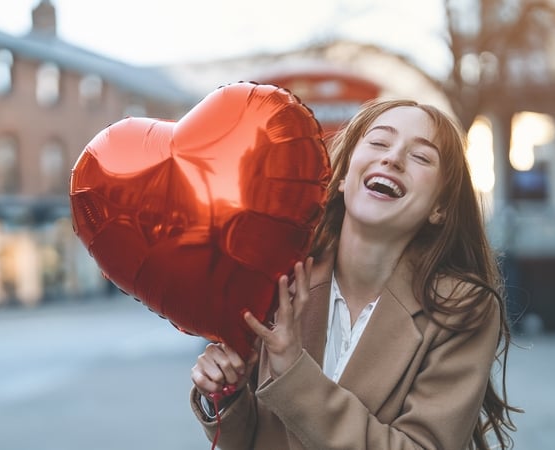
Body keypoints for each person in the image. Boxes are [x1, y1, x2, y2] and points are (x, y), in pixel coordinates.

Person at [189, 98, 520, 449]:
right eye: (379, 142)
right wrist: (227, 396)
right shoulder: (279, 277)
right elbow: (256, 440)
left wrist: (293, 373)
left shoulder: (462, 308)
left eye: (421, 156)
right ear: (344, 176)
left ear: (439, 207)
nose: (392, 158)